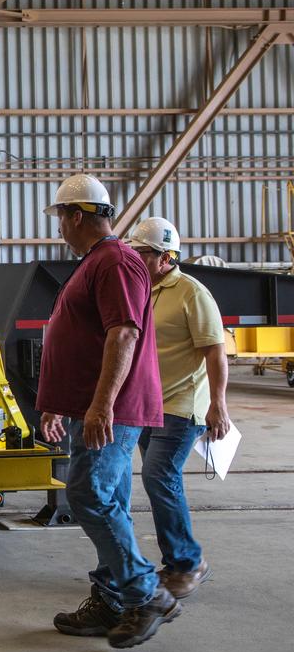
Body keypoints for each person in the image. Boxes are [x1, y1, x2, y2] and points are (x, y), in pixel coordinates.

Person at [35, 174, 182, 649]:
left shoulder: (115, 261)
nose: (59, 227)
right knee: (108, 501)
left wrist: (102, 405)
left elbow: (123, 333)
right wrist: (58, 404)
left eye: (61, 217)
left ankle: (146, 593)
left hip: (111, 410)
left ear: (78, 216)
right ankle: (110, 602)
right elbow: (84, 338)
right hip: (92, 407)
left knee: (89, 495)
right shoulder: (98, 262)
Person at [126, 217, 230, 599]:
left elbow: (215, 352)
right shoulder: (140, 289)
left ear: (166, 257)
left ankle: (187, 563)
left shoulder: (192, 293)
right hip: (148, 404)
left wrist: (218, 405)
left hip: (183, 405)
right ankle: (177, 561)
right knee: (158, 480)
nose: (136, 258)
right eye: (134, 251)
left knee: (159, 476)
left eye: (143, 253)